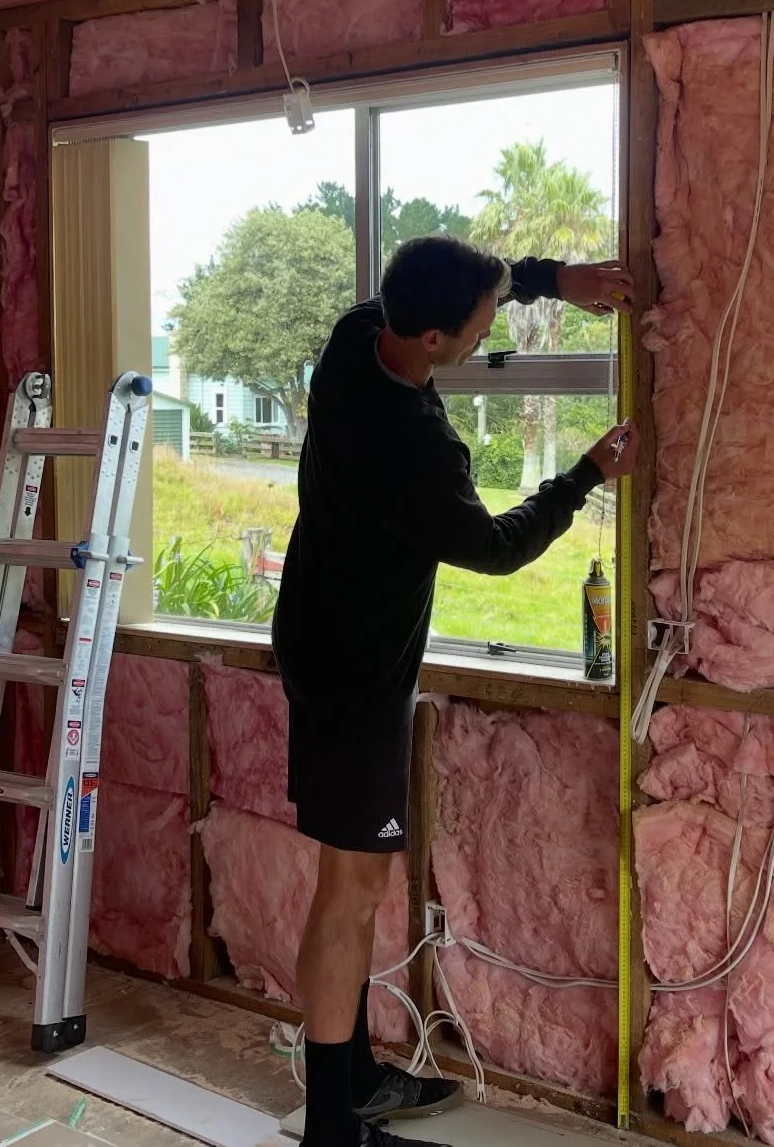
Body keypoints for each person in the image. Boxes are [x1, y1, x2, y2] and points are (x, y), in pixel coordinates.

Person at [272, 236, 637, 1147]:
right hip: (355, 675)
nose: (487, 331)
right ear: (433, 338)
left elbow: (480, 277)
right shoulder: (416, 450)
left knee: (347, 880)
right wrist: (588, 472)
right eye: (479, 326)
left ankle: (351, 1076)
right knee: (351, 890)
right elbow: (500, 547)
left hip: (319, 635)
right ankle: (331, 1129)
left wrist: (559, 281)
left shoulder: (356, 335)